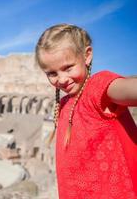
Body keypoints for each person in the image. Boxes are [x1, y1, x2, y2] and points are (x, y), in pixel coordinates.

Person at [35, 23, 137, 199]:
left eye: (68, 68)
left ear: (87, 56)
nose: (62, 79)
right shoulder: (64, 103)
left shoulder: (97, 87)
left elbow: (129, 89)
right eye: (52, 73)